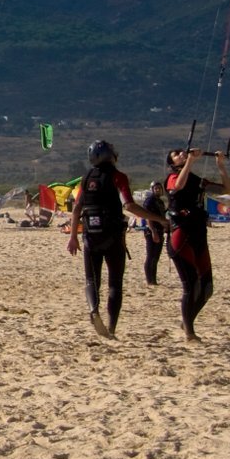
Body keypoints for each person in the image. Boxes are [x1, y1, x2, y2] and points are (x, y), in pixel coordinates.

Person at [66, 141, 166, 339]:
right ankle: (111, 327)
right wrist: (159, 219)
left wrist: (72, 238)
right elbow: (128, 205)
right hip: (113, 237)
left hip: (90, 236)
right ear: (110, 155)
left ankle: (94, 309)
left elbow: (77, 209)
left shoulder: (86, 178)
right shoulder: (118, 176)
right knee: (115, 283)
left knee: (91, 280)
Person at [166, 146, 230, 343]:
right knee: (191, 285)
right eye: (176, 154)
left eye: (182, 152)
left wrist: (221, 166)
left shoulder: (197, 180)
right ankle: (189, 333)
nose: (181, 154)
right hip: (181, 236)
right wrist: (190, 162)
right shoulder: (172, 177)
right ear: (172, 163)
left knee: (207, 287)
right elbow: (178, 186)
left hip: (199, 236)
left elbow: (228, 191)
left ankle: (187, 320)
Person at [137, 181, 167, 287]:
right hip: (151, 231)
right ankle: (149, 280)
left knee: (156, 257)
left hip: (160, 231)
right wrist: (153, 231)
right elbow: (148, 217)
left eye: (159, 188)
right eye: (156, 188)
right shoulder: (149, 201)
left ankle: (154, 280)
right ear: (152, 190)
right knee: (151, 256)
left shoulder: (161, 202)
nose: (158, 190)